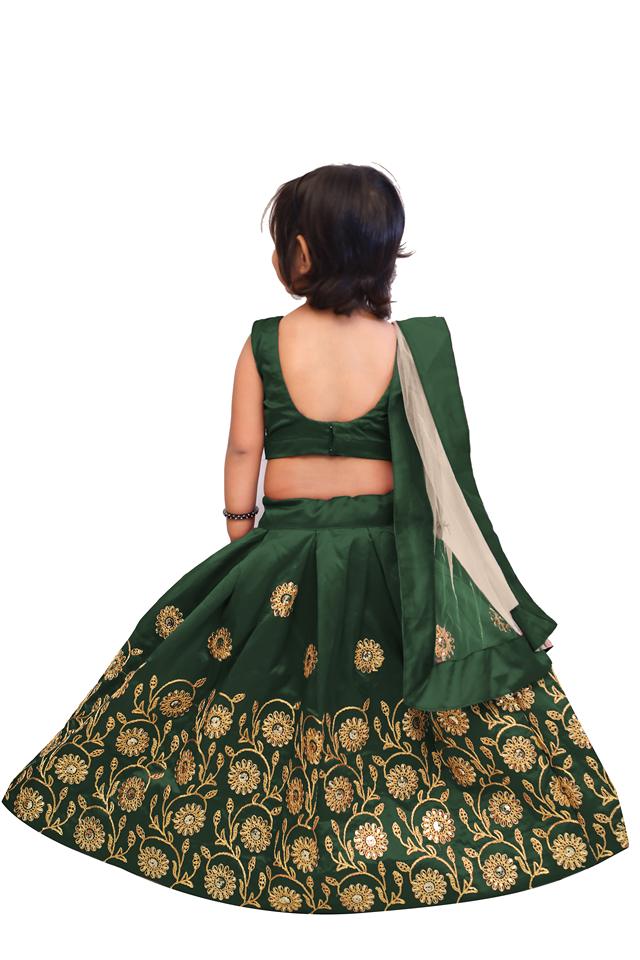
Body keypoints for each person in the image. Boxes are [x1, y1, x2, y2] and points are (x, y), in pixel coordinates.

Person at [2, 163, 628, 914]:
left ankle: (244, 844)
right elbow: (444, 478)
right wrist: (488, 596)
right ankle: (405, 841)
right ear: (385, 255)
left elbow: (244, 450)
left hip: (283, 552)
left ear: (297, 252)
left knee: (247, 688)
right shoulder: (405, 347)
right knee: (398, 701)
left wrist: (241, 534)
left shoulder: (266, 342)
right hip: (392, 561)